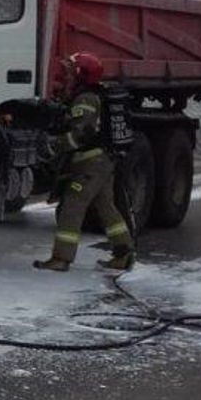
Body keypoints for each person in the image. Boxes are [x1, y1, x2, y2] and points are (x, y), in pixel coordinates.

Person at [33, 52, 135, 272]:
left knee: (72, 205)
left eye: (71, 71)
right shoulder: (89, 95)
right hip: (102, 162)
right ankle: (123, 252)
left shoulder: (85, 99)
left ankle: (61, 259)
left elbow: (81, 135)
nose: (66, 75)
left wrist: (53, 145)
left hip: (91, 163)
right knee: (105, 206)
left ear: (81, 74)